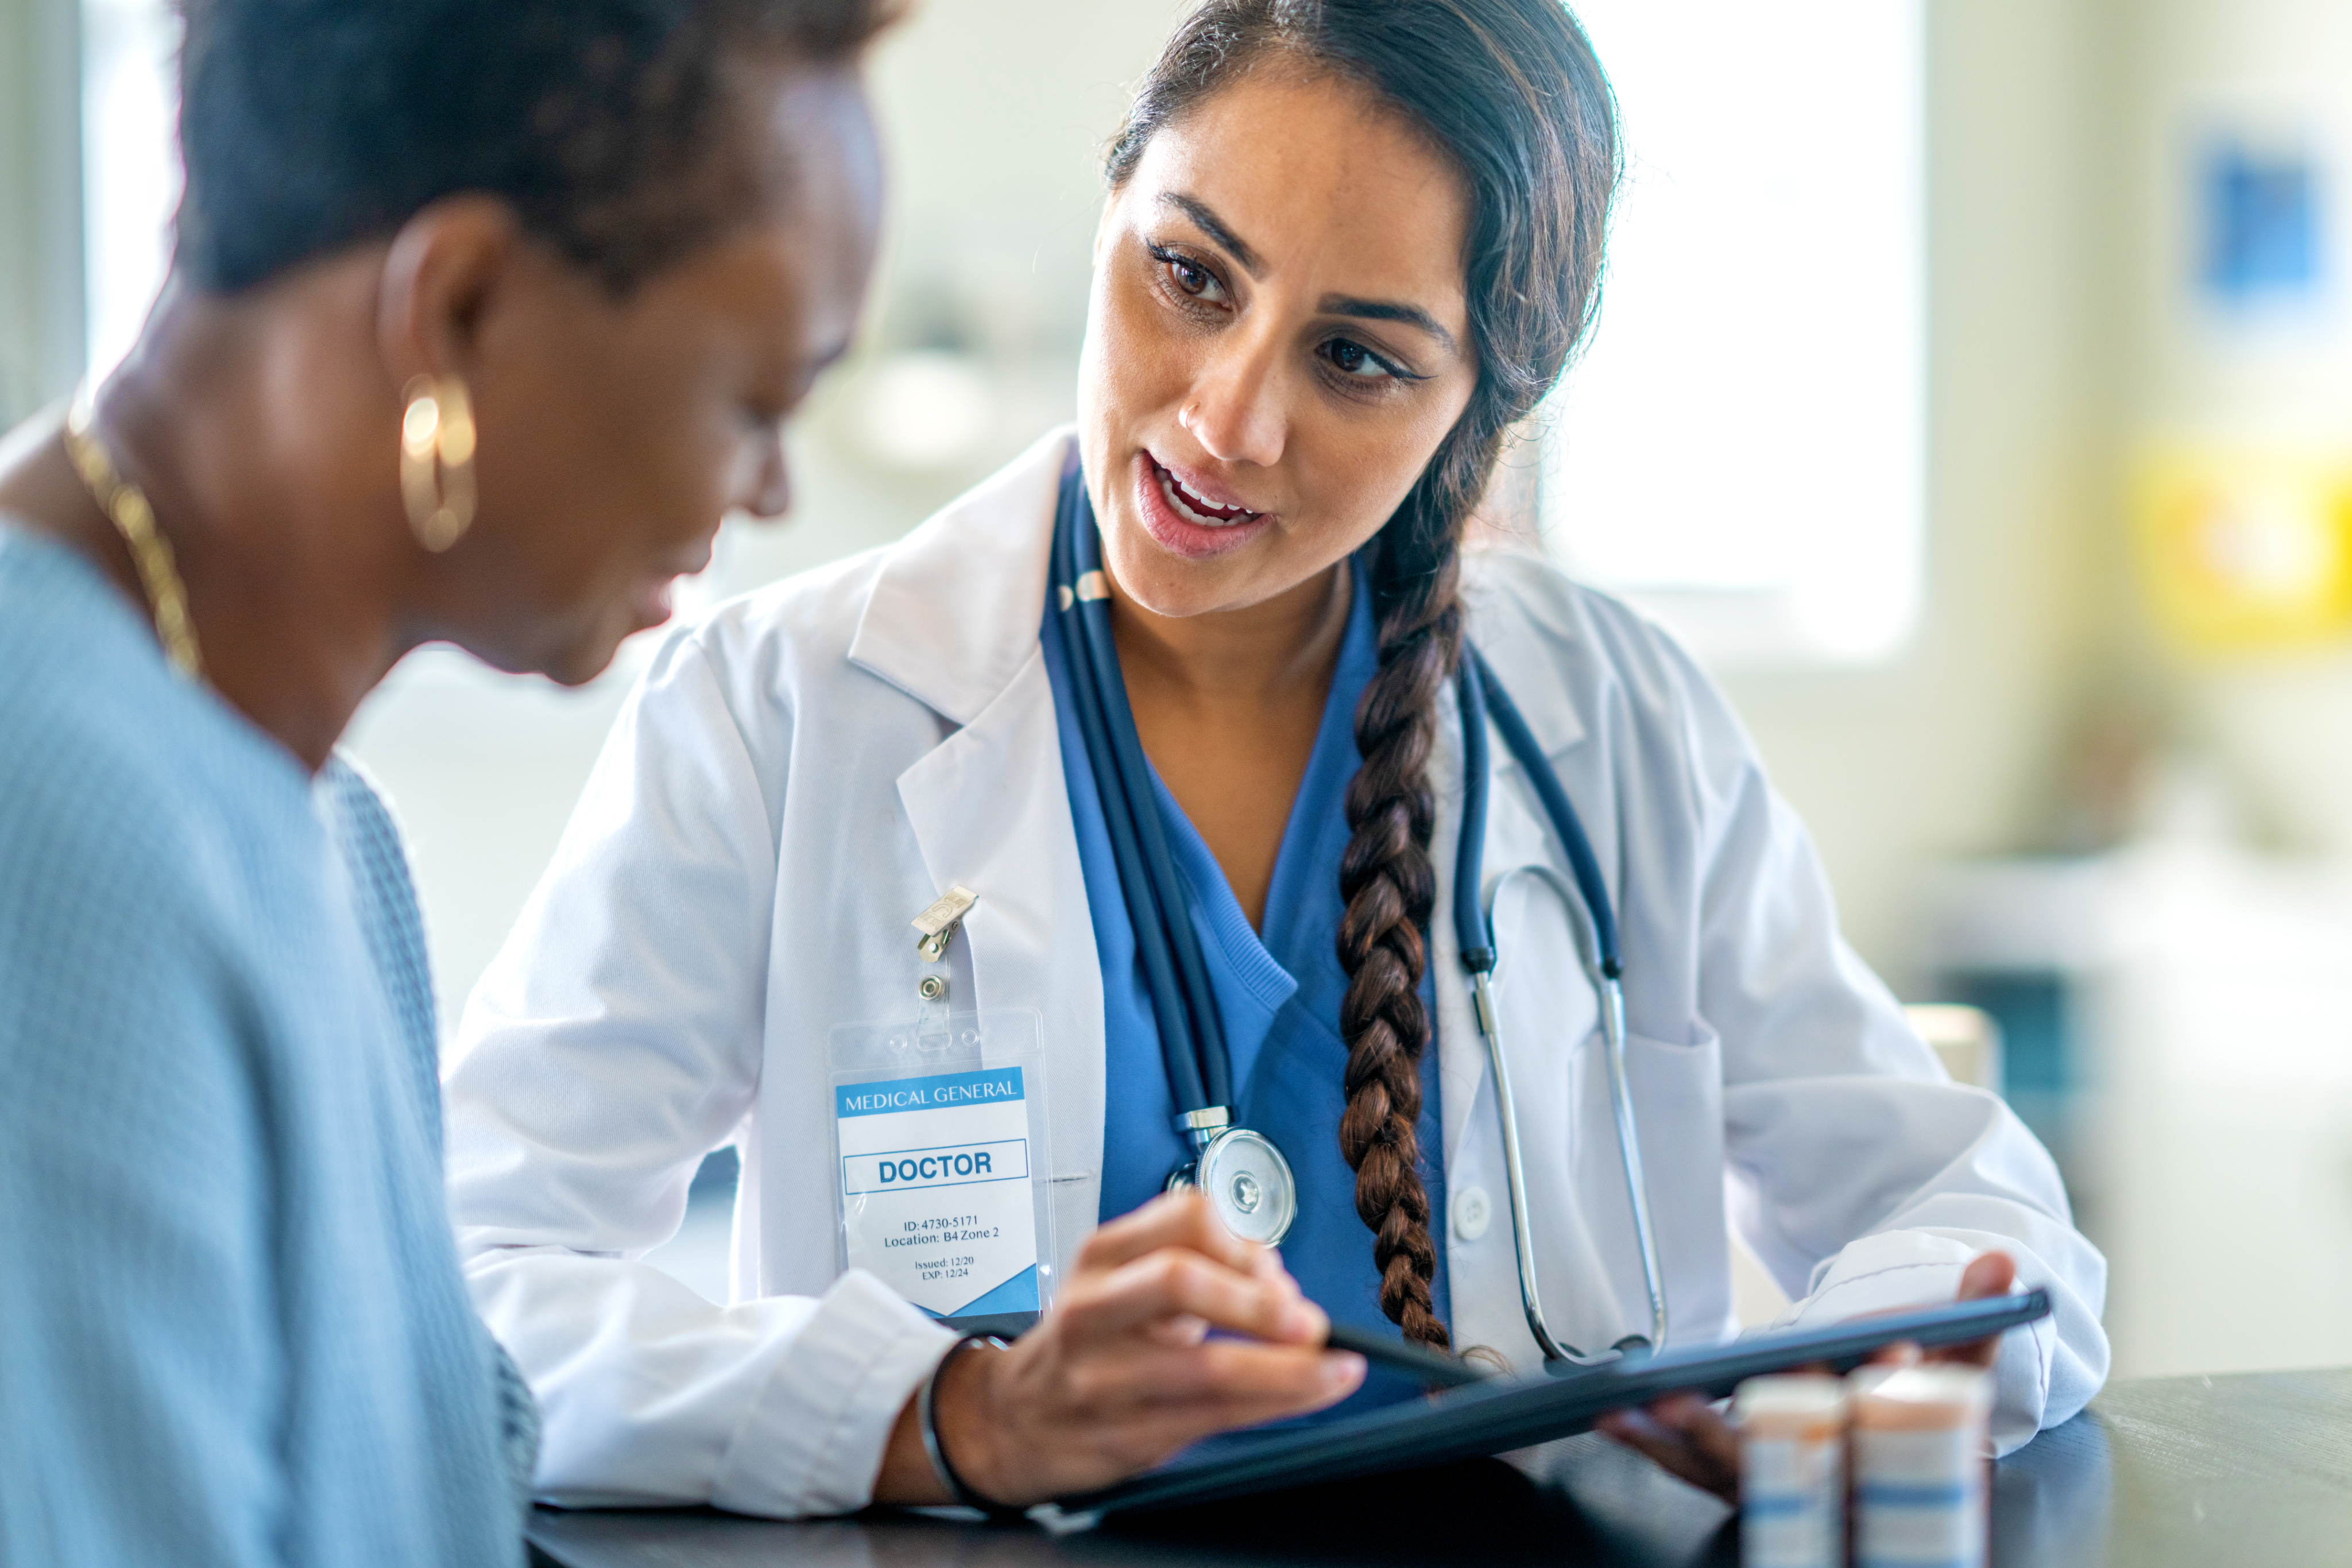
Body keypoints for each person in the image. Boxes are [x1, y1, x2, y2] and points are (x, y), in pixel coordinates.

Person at [443, 0, 2111, 1518]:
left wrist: (1846, 1383)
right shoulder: (783, 708)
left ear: (1474, 414)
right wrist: (948, 1410)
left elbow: (1980, 1212)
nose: (1228, 417)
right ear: (1114, 211)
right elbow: (461, 1269)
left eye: (1358, 357)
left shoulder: (1615, 722)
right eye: (1189, 276)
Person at [0, 1, 893, 1561]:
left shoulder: (336, 837)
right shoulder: (55, 830)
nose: (767, 489)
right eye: (754, 402)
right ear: (458, 307)